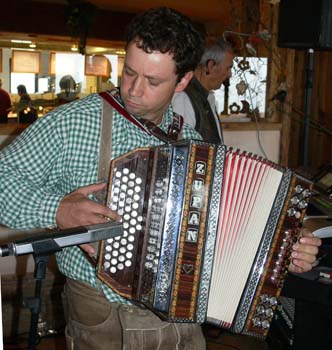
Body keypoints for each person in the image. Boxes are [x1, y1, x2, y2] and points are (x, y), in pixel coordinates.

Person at [0, 7, 320, 350]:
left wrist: (287, 247)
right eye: (129, 73)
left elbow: (228, 231)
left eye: (153, 81)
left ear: (182, 81)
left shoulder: (194, 146)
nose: (134, 90)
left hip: (180, 325)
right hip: (102, 315)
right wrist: (57, 211)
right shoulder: (74, 122)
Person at [172, 38, 234, 143]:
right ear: (210, 66)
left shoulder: (208, 97)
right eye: (228, 68)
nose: (230, 74)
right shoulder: (183, 97)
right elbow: (180, 149)